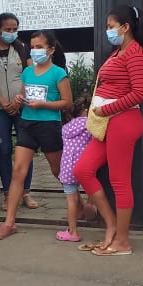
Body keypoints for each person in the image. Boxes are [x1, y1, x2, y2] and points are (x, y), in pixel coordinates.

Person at [74, 5, 143, 256]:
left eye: (110, 26)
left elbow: (140, 92)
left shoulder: (135, 53)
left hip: (122, 121)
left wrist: (106, 109)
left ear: (125, 27)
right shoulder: (118, 52)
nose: (107, 31)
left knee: (119, 181)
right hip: (108, 123)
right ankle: (112, 227)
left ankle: (123, 242)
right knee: (83, 170)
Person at [0, 30, 72, 240]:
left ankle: (78, 205)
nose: (35, 51)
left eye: (39, 47)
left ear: (51, 50)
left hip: (49, 126)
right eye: (32, 47)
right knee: (18, 171)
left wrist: (43, 104)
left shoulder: (58, 73)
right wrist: (19, 100)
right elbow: (25, 94)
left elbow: (67, 103)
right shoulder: (27, 72)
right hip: (26, 123)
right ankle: (9, 223)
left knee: (58, 170)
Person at [0, 13, 38, 211]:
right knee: (4, 150)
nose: (12, 33)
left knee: (25, 148)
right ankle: (9, 194)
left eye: (15, 29)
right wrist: (3, 103)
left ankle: (25, 192)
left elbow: (30, 75)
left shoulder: (22, 48)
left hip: (22, 106)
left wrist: (19, 99)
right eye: (7, 29)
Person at [55, 93, 93, 243]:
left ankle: (72, 231)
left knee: (71, 200)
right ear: (87, 110)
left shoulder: (66, 127)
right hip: (85, 165)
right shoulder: (90, 125)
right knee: (94, 189)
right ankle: (91, 204)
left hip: (67, 167)